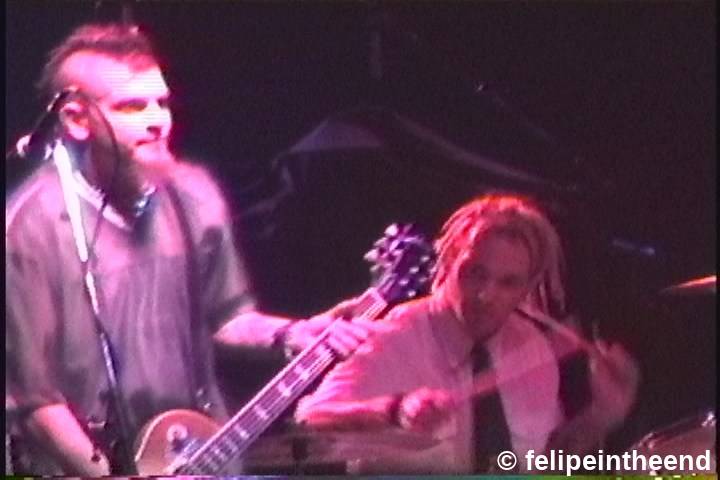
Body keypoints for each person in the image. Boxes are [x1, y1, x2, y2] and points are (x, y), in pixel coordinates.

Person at [5, 22, 371, 476]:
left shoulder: (193, 193)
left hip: (201, 456)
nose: (158, 121)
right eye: (131, 106)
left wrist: (294, 333)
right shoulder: (29, 229)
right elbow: (34, 400)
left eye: (161, 103)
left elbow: (229, 319)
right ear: (76, 120)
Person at [295, 194, 641, 474]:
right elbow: (310, 418)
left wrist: (600, 417)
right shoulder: (394, 335)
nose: (486, 295)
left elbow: (545, 465)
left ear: (527, 288)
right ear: (448, 263)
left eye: (508, 283)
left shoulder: (532, 346)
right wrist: (394, 410)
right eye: (475, 273)